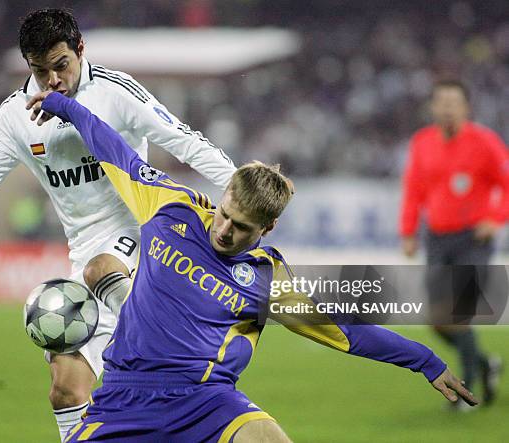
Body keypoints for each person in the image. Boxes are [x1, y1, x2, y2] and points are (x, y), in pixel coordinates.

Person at [30, 90, 476, 442]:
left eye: (241, 227)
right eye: (224, 213)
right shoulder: (172, 210)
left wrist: (426, 360)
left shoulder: (268, 279)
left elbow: (346, 331)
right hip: (126, 395)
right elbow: (115, 151)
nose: (223, 230)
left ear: (269, 226)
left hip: (205, 402)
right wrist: (65, 106)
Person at [0, 8, 235, 440]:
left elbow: (186, 142)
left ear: (81, 50)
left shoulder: (115, 93)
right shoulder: (15, 117)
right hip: (84, 255)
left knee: (105, 273)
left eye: (61, 66)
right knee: (65, 389)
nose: (53, 80)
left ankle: (173, 350)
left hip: (142, 235)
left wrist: (241, 190)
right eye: (41, 71)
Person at [399, 79, 506, 407]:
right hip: (438, 238)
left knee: (457, 314)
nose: (447, 108)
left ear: (466, 107)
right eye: (441, 101)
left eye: (453, 102)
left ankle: (464, 390)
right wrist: (408, 231)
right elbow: (414, 189)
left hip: (473, 237)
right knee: (438, 320)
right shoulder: (423, 142)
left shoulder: (484, 142)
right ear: (433, 107)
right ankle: (486, 365)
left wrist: (495, 217)